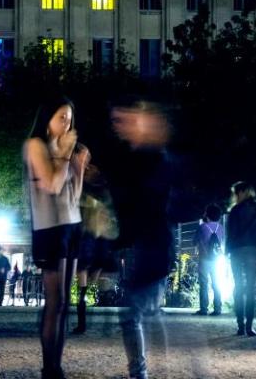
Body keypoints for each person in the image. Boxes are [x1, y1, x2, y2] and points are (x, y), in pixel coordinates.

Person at [105, 98, 176, 379]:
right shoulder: (139, 157)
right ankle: (142, 371)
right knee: (144, 312)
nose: (119, 125)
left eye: (124, 119)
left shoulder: (152, 157)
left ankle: (141, 372)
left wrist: (119, 238)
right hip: (149, 245)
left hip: (153, 245)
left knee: (136, 313)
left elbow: (143, 205)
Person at [23, 96, 86, 379]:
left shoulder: (67, 150)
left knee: (65, 304)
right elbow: (51, 184)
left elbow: (74, 194)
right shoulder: (35, 146)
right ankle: (50, 368)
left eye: (70, 118)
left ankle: (56, 366)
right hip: (49, 229)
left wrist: (79, 166)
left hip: (72, 225)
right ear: (47, 119)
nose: (67, 123)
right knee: (55, 300)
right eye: (61, 117)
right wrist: (63, 155)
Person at [72, 161, 118, 334]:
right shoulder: (102, 191)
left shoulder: (91, 191)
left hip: (91, 240)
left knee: (89, 284)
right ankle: (92, 324)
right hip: (94, 240)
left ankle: (86, 324)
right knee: (89, 284)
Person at [226, 181, 256, 337]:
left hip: (236, 251)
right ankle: (250, 326)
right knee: (250, 288)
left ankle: (240, 326)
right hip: (253, 251)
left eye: (236, 193)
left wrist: (227, 250)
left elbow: (230, 233)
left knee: (238, 287)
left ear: (240, 193)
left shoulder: (235, 210)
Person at [193, 204, 225, 316]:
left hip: (204, 259)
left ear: (207, 215)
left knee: (204, 283)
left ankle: (204, 309)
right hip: (217, 260)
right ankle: (217, 309)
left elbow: (195, 242)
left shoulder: (202, 227)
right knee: (217, 283)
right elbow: (222, 242)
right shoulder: (221, 228)